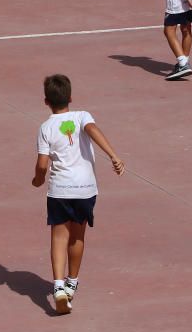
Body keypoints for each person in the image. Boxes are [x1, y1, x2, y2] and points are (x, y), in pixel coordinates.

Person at [32, 74, 125, 314]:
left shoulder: (45, 127)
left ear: (46, 102)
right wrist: (113, 155)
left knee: (58, 237)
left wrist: (38, 179)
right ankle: (72, 282)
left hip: (60, 190)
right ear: (70, 98)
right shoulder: (83, 116)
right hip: (85, 189)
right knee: (78, 235)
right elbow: (92, 129)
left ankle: (59, 287)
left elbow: (42, 164)